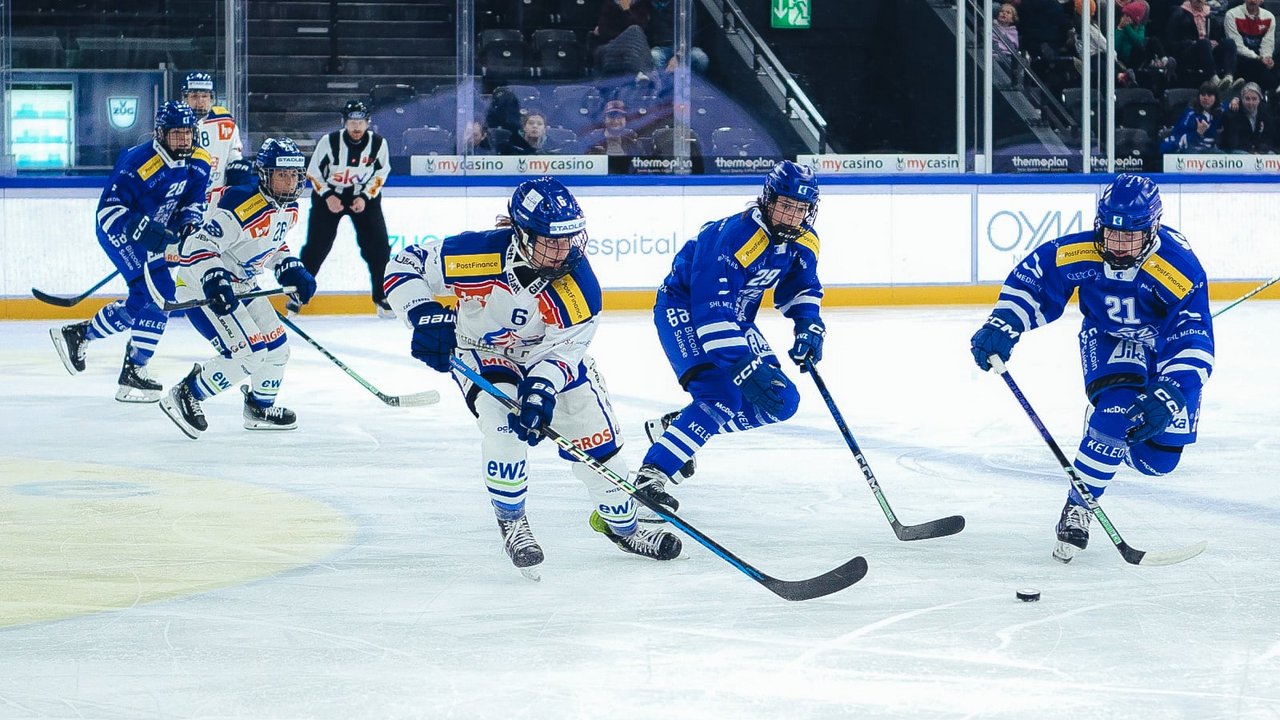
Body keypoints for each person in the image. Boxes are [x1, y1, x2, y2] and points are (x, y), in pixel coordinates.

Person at [382, 176, 681, 575]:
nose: (563, 250)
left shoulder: (581, 287)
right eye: (551, 241)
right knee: (503, 429)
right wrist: (422, 313)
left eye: (570, 238)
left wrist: (540, 389)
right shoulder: (477, 253)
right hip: (485, 353)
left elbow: (566, 350)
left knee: (601, 451)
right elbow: (403, 265)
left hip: (552, 362)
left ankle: (623, 527)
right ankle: (513, 523)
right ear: (522, 235)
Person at [970, 174, 1214, 563]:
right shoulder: (1081, 251)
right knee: (1116, 415)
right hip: (1109, 338)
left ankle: (1110, 436)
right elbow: (1035, 279)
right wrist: (1004, 323)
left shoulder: (1178, 269)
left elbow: (1194, 341)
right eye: (1110, 234)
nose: (1117, 246)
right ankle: (1080, 504)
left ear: (1151, 230)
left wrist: (1171, 390)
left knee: (1159, 461)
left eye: (1129, 237)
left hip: (1163, 348)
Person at [634, 161, 824, 516]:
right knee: (720, 396)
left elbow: (801, 287)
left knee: (780, 401)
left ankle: (679, 426)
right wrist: (742, 365)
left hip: (733, 319)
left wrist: (808, 325)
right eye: (785, 205)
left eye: (800, 209)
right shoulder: (733, 237)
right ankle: (651, 475)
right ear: (767, 200)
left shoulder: (805, 240)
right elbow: (711, 311)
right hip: (686, 311)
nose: (791, 215)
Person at [50, 101, 210, 403]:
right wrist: (140, 228)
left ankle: (83, 338)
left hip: (155, 237)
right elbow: (108, 212)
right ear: (161, 134)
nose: (184, 140)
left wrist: (188, 224)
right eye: (176, 134)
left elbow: (194, 202)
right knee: (158, 294)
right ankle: (132, 369)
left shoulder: (198, 162)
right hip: (121, 233)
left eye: (188, 133)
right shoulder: (140, 162)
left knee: (150, 300)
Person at [159, 138, 317, 439]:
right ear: (264, 174)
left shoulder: (290, 208)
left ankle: (259, 408)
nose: (288, 182)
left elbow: (268, 245)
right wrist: (214, 277)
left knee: (277, 348)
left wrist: (289, 265)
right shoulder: (242, 205)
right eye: (281, 174)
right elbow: (197, 246)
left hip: (242, 284)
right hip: (200, 286)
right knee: (249, 353)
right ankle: (186, 394)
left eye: (294, 175)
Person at [296, 99, 392, 318]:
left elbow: (381, 173)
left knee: (379, 247)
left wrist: (365, 197)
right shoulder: (328, 142)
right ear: (344, 123)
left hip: (364, 197)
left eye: (360, 122)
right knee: (316, 247)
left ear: (368, 122)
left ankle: (382, 295)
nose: (356, 128)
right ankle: (298, 294)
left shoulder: (378, 144)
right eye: (351, 122)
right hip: (328, 194)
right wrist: (329, 195)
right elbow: (313, 172)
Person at [181, 71, 243, 192]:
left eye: (204, 96)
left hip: (216, 194)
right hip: (184, 193)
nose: (200, 102)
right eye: (194, 96)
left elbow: (234, 156)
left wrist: (238, 171)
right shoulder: (174, 123)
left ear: (211, 98)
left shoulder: (225, 121)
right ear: (185, 98)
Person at [1165, 0, 1239, 92]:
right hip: (1187, 53)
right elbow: (1171, 42)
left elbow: (1219, 37)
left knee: (1230, 43)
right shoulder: (1179, 14)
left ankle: (1229, 78)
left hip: (1208, 51)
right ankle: (1215, 80)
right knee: (1204, 43)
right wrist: (1193, 43)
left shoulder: (1210, 16)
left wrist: (1215, 42)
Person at [1224, 0, 1278, 94]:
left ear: (1262, 1)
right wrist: (1259, 58)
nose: (1253, 1)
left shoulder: (1269, 16)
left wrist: (1267, 57)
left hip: (1259, 60)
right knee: (1267, 77)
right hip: (1240, 59)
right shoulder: (1232, 14)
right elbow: (1236, 45)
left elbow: (1268, 42)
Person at [1160, 79, 1225, 152]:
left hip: (1212, 152)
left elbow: (1230, 106)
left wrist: (1235, 99)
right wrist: (1197, 133)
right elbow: (1179, 137)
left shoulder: (1221, 110)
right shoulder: (1191, 113)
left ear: (1216, 98)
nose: (1205, 98)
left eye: (1209, 95)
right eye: (1203, 94)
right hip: (1191, 152)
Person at [647, 0, 710, 74]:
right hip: (662, 48)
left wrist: (678, 57)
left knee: (700, 58)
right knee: (654, 56)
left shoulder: (685, 3)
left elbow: (689, 34)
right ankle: (662, 80)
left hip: (685, 48)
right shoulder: (647, 4)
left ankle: (692, 80)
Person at [1220, 81, 1275, 152]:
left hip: (1259, 151)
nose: (1251, 103)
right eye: (1247, 99)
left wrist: (1260, 151)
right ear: (1242, 99)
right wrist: (1251, 151)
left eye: (1254, 99)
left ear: (1259, 100)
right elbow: (1234, 141)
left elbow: (1269, 137)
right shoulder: (1233, 114)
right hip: (1238, 153)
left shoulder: (1265, 113)